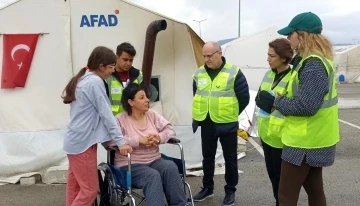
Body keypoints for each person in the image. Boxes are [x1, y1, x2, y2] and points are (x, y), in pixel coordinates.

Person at [273, 12, 339, 206]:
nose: (287, 39)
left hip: (305, 141)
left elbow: (307, 106)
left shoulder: (313, 64)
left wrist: (277, 103)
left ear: (301, 35)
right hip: (315, 138)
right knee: (315, 190)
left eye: (289, 35)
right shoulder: (317, 61)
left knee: (285, 196)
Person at [62, 46, 133, 206]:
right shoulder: (95, 82)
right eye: (111, 67)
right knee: (89, 190)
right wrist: (120, 142)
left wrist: (107, 141)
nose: (113, 70)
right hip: (83, 145)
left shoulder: (83, 79)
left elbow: (94, 118)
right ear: (101, 66)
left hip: (74, 142)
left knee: (75, 188)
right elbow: (106, 115)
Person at [107, 83, 190, 206]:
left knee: (170, 167)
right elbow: (110, 141)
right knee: (152, 176)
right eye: (142, 97)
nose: (147, 100)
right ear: (131, 102)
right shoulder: (120, 119)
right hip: (130, 165)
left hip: (154, 160)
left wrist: (159, 137)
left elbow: (170, 131)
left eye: (146, 97)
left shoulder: (152, 115)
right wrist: (138, 140)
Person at [192, 41, 250, 206]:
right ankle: (207, 188)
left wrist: (229, 113)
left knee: (230, 159)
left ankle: (230, 191)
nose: (207, 59)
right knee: (207, 158)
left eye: (210, 56)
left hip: (227, 123)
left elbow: (244, 98)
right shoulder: (199, 73)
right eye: (204, 56)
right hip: (207, 123)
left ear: (220, 53)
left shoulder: (234, 72)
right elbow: (196, 94)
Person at [255, 38, 294, 206]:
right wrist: (267, 101)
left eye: (272, 56)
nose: (268, 59)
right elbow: (258, 98)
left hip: (282, 138)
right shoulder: (268, 74)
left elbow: (291, 106)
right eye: (268, 55)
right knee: (273, 176)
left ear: (284, 57)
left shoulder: (293, 76)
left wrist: (271, 103)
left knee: (283, 181)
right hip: (266, 135)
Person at [105, 42, 144, 115]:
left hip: (133, 120)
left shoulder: (138, 75)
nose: (128, 63)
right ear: (117, 57)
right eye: (125, 60)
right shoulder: (107, 75)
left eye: (131, 60)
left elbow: (143, 98)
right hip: (114, 121)